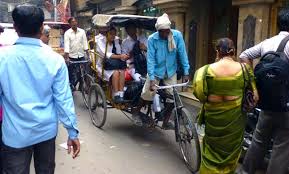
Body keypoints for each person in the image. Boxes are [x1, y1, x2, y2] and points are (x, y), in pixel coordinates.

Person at [0, 5, 80, 174]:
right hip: (46, 132)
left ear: (15, 27)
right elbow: (63, 100)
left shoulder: (3, 58)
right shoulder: (55, 60)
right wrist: (72, 133)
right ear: (42, 26)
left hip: (15, 134)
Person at [193, 38, 258, 174]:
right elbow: (255, 97)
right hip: (235, 122)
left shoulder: (203, 71)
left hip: (213, 121)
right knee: (231, 152)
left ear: (217, 51)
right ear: (233, 51)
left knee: (211, 150)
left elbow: (200, 95)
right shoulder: (245, 69)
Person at [239, 8, 289, 174]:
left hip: (266, 103)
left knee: (259, 140)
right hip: (286, 106)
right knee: (281, 146)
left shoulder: (268, 42)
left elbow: (244, 55)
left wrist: (253, 83)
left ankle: (245, 171)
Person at [133, 13, 190, 127]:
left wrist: (186, 72)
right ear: (158, 31)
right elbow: (151, 60)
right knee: (148, 92)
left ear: (169, 29)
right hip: (156, 70)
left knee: (172, 98)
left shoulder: (177, 36)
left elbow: (182, 54)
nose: (164, 33)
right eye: (161, 31)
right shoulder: (152, 39)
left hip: (171, 70)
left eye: (166, 31)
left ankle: (165, 122)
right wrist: (152, 78)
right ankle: (136, 112)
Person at [96, 26, 129, 103]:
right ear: (106, 34)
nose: (113, 36)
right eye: (111, 34)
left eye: (114, 34)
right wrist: (120, 56)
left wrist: (124, 56)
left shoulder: (116, 40)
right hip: (103, 65)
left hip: (115, 64)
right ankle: (116, 94)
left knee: (122, 71)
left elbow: (119, 53)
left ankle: (121, 94)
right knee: (116, 72)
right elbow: (106, 55)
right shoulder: (100, 41)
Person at [64, 17, 89, 91]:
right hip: (72, 56)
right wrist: (67, 57)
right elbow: (66, 45)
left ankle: (82, 86)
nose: (74, 23)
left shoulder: (82, 31)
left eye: (75, 21)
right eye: (72, 22)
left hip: (81, 55)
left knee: (84, 72)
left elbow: (85, 43)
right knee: (71, 73)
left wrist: (88, 55)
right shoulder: (67, 33)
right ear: (70, 24)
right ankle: (71, 86)